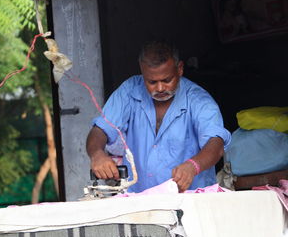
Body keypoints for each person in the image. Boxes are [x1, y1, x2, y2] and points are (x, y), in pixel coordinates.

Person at [86, 40, 231, 192]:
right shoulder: (129, 91)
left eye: (167, 80)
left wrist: (193, 165)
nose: (160, 88)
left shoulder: (199, 100)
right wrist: (97, 154)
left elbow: (216, 144)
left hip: (190, 201)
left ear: (180, 69)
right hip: (140, 200)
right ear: (142, 73)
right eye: (152, 82)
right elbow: (100, 130)